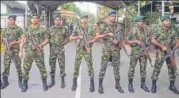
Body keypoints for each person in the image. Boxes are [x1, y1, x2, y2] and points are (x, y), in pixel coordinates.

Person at [94, 10, 124, 94]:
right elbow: (97, 37)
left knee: (116, 68)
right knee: (103, 67)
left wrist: (120, 42)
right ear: (108, 17)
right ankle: (100, 85)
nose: (113, 17)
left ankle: (117, 85)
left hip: (116, 50)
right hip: (106, 50)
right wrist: (107, 34)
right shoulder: (103, 25)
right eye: (112, 16)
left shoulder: (119, 26)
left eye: (115, 16)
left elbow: (121, 37)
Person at [19, 13, 49, 92]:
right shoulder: (27, 29)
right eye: (33, 18)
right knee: (26, 68)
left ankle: (44, 82)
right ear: (31, 19)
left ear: (38, 19)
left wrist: (40, 45)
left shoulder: (42, 29)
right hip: (28, 52)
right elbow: (23, 39)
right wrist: (20, 50)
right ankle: (25, 83)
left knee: (42, 68)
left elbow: (47, 39)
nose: (34, 19)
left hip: (38, 52)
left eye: (36, 18)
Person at [151, 15, 179, 94]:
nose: (168, 22)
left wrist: (173, 49)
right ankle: (153, 85)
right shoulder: (158, 29)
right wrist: (161, 46)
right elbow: (153, 40)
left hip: (170, 52)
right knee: (157, 69)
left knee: (172, 69)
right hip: (161, 52)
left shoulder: (173, 30)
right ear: (162, 22)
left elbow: (177, 42)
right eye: (166, 20)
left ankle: (172, 86)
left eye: (169, 20)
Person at [69, 14, 95, 92]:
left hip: (87, 49)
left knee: (90, 66)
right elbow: (70, 38)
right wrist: (78, 37)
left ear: (87, 20)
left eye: (86, 18)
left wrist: (91, 43)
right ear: (80, 20)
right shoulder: (77, 28)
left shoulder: (91, 28)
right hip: (79, 49)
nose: (84, 20)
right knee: (76, 66)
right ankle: (74, 83)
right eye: (83, 18)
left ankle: (92, 84)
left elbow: (95, 37)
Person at [126, 16, 151, 93]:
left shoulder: (146, 30)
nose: (142, 22)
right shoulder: (132, 30)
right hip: (135, 52)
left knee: (143, 69)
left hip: (143, 53)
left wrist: (148, 47)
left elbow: (149, 41)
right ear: (136, 22)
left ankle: (142, 84)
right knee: (131, 69)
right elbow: (127, 41)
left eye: (142, 21)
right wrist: (136, 42)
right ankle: (130, 84)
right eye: (140, 21)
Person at [1, 15, 23, 89]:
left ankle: (20, 81)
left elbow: (22, 39)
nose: (10, 21)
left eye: (12, 19)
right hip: (7, 50)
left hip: (16, 50)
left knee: (18, 65)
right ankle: (5, 81)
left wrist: (14, 42)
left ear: (15, 20)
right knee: (6, 66)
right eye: (9, 19)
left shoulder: (19, 29)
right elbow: (2, 39)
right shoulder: (5, 29)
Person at [47, 14, 69, 88]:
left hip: (61, 51)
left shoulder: (64, 29)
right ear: (54, 21)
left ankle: (63, 81)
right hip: (52, 50)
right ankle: (52, 81)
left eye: (59, 20)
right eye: (56, 20)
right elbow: (47, 39)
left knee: (62, 66)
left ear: (61, 21)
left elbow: (67, 38)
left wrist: (63, 43)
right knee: (52, 66)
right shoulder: (50, 29)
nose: (57, 21)